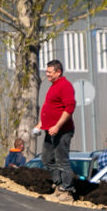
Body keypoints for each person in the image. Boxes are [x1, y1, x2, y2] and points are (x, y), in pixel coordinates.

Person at [33, 59, 76, 201]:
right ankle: (58, 185)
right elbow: (51, 109)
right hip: (49, 130)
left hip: (62, 131)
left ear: (58, 72)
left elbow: (69, 109)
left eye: (49, 72)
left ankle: (67, 190)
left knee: (62, 160)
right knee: (46, 159)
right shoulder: (53, 86)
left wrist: (57, 126)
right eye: (46, 71)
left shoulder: (65, 86)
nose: (47, 75)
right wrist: (41, 123)